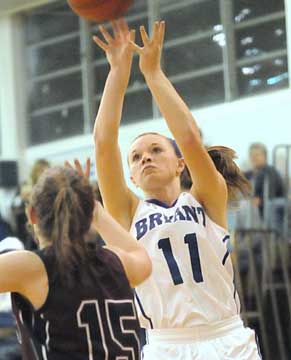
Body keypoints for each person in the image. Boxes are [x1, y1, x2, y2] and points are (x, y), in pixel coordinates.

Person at [93, 19, 260, 359]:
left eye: (156, 150)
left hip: (227, 335)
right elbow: (103, 142)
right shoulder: (127, 211)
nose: (146, 159)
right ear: (132, 177)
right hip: (166, 343)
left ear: (180, 163)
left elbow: (188, 136)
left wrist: (153, 74)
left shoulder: (207, 197)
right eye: (136, 158)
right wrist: (117, 74)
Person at [0, 165, 152, 359]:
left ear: (32, 214)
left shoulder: (32, 268)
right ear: (89, 213)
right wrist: (95, 208)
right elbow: (141, 257)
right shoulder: (117, 261)